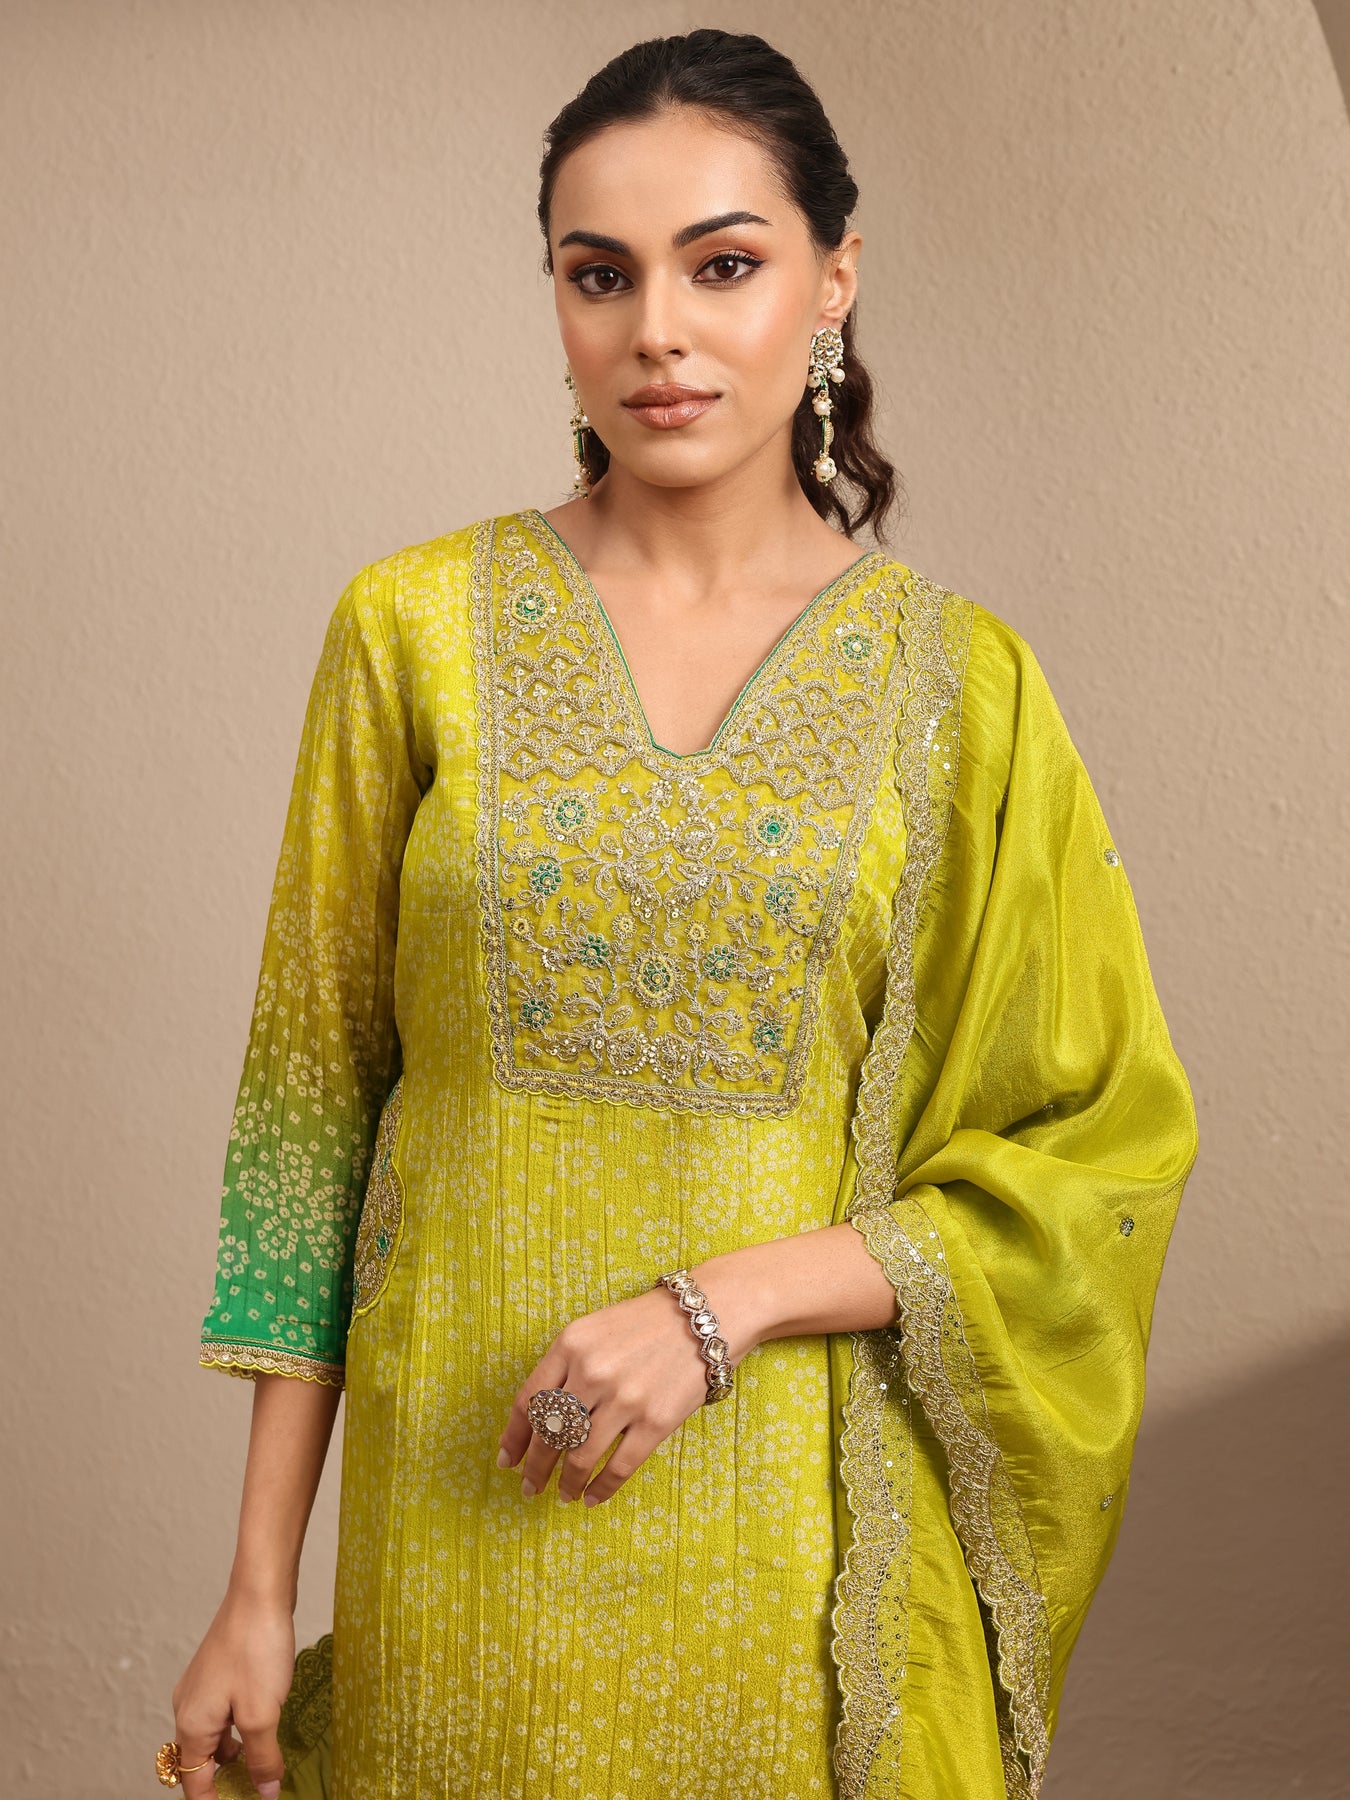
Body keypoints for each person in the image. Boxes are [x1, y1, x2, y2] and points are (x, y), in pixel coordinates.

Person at [161, 28, 1198, 1800]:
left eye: (722, 265)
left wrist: (721, 1306)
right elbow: (307, 1120)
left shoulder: (958, 689)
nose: (656, 328)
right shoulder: (410, 628)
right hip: (455, 1533)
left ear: (831, 283)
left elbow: (1090, 1154)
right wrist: (256, 1590)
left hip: (784, 1545)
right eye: (600, 275)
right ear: (558, 304)